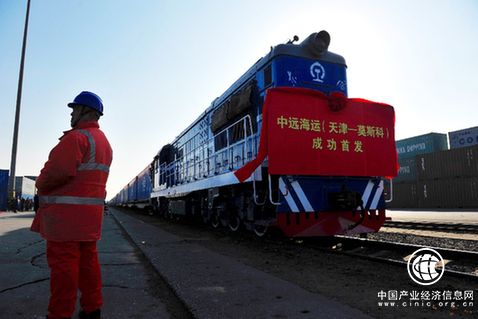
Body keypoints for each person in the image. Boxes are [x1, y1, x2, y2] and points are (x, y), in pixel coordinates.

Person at [31, 91, 113, 319]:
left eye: (75, 109)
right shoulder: (103, 143)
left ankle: (59, 314)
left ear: (87, 111)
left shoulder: (77, 138)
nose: (72, 113)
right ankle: (92, 309)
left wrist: (39, 182)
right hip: (88, 221)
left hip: (65, 221)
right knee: (88, 266)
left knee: (63, 270)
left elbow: (56, 172)